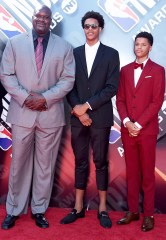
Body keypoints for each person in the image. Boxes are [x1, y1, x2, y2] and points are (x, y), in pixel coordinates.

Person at [0, 5, 75, 230]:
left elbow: (68, 79)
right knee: (19, 165)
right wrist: (26, 98)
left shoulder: (65, 47)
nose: (42, 19)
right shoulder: (14, 44)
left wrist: (44, 99)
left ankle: (39, 210)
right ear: (32, 19)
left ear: (51, 21)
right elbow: (6, 74)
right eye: (38, 16)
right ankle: (14, 210)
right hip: (22, 113)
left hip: (50, 114)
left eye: (46, 17)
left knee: (45, 166)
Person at [60, 11, 120, 228]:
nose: (90, 29)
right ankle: (77, 207)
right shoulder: (73, 54)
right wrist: (79, 111)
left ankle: (102, 208)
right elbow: (68, 85)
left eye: (94, 26)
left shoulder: (111, 54)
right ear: (83, 28)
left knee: (101, 162)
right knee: (80, 162)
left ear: (100, 28)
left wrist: (87, 106)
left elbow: (111, 87)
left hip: (101, 116)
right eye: (86, 26)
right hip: (78, 118)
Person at [116, 32, 165, 232]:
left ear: (150, 47)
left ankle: (149, 215)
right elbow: (120, 99)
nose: (139, 47)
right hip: (128, 131)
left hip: (146, 131)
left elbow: (157, 102)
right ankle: (132, 211)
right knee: (132, 173)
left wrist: (139, 124)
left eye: (143, 45)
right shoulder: (125, 70)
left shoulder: (158, 70)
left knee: (147, 175)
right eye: (137, 44)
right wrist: (127, 122)